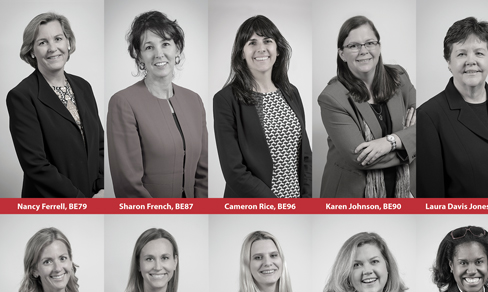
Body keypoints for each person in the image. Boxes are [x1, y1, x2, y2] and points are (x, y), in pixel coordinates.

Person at [107, 11, 208, 198]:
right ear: (138, 56)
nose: (159, 54)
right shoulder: (123, 103)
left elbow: (203, 174)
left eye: (166, 44)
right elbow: (128, 185)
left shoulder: (195, 101)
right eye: (149, 47)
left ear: (177, 49)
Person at [417, 17, 488, 198]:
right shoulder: (429, 116)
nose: (470, 61)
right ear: (448, 62)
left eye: (479, 53)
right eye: (461, 54)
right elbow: (431, 198)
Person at [6, 12, 104, 198]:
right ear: (32, 51)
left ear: (68, 42)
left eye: (58, 39)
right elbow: (35, 165)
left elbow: (100, 144)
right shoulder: (21, 96)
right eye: (42, 42)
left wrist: (101, 187)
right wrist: (79, 201)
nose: (53, 48)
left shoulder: (83, 86)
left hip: (94, 196)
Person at [214, 16, 312, 198]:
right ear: (242, 53)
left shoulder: (292, 93)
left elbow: (305, 155)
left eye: (267, 41)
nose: (261, 48)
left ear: (278, 49)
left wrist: (306, 200)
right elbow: (234, 170)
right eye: (252, 43)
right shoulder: (225, 99)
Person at [319, 16, 416, 198]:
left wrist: (390, 142)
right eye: (354, 46)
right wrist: (410, 145)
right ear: (342, 54)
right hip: (353, 194)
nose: (363, 51)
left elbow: (428, 125)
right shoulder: (332, 98)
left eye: (369, 43)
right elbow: (361, 158)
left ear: (378, 47)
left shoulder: (399, 77)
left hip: (400, 191)